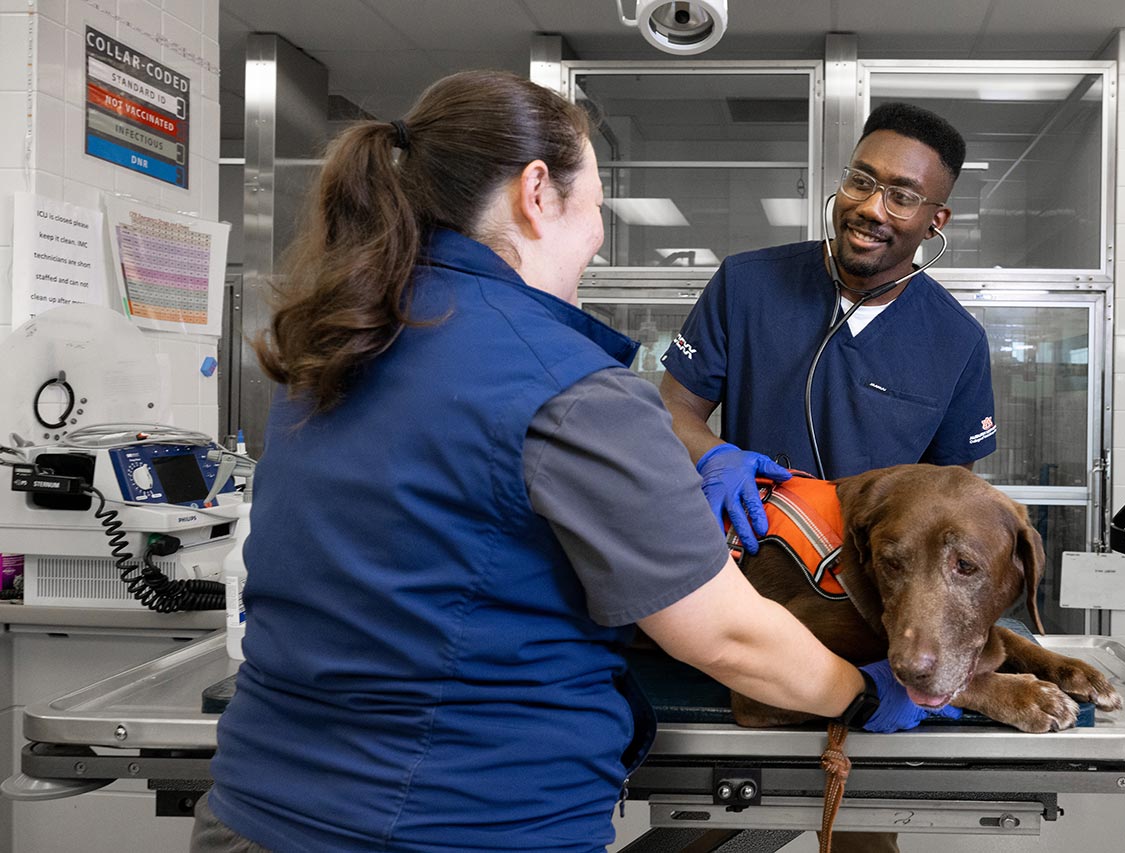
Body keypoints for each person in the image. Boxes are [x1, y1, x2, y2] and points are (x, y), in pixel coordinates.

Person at [189, 72, 954, 853]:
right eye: (596, 202)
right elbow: (728, 636)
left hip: (253, 807)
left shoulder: (331, 342)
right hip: (455, 825)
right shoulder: (569, 386)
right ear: (537, 192)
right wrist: (864, 693)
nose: (596, 234)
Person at [659, 102, 998, 853]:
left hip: (869, 625)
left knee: (859, 834)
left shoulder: (957, 342)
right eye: (861, 180)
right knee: (704, 817)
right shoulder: (747, 285)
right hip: (741, 601)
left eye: (902, 195)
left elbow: (952, 503)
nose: (872, 208)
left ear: (935, 220)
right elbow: (673, 410)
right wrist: (711, 453)